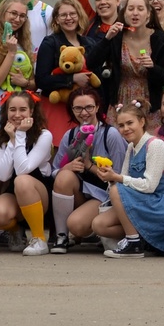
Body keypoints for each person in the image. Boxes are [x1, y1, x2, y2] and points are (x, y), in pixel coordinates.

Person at [93, 99, 164, 258]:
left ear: (142, 122)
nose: (125, 129)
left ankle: (133, 243)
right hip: (144, 202)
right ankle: (143, 239)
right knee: (99, 225)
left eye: (130, 123)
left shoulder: (155, 145)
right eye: (121, 125)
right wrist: (110, 176)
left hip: (163, 206)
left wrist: (117, 178)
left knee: (116, 190)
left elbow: (149, 186)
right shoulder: (130, 147)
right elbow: (124, 179)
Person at [49, 87, 128, 252]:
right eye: (78, 108)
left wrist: (89, 166)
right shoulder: (70, 135)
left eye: (89, 107)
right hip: (80, 191)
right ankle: (61, 236)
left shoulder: (110, 134)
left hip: (104, 194)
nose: (84, 113)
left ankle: (103, 229)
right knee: (63, 176)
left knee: (76, 225)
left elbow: (120, 176)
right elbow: (54, 170)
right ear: (72, 110)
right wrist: (66, 167)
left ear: (97, 107)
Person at [0, 91, 54, 256]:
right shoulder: (2, 138)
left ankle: (39, 239)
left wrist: (21, 134)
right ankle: (15, 231)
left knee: (22, 180)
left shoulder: (44, 135)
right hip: (15, 192)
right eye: (12, 109)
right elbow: (2, 176)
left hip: (40, 194)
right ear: (6, 112)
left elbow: (24, 169)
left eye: (23, 109)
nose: (17, 115)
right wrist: (12, 141)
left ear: (31, 111)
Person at [97, 0, 164, 116]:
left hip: (149, 102)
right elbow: (92, 63)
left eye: (140, 9)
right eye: (131, 9)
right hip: (121, 100)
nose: (135, 13)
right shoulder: (116, 37)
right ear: (124, 13)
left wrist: (152, 67)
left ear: (148, 14)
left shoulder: (161, 39)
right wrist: (107, 39)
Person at [33, 0, 97, 141]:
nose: (69, 18)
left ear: (79, 15)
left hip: (84, 109)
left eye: (72, 14)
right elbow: (41, 80)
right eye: (63, 15)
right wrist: (72, 79)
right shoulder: (50, 43)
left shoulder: (89, 43)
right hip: (58, 107)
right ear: (56, 19)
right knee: (59, 148)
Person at [0, 0, 36, 149]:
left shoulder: (24, 43)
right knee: (0, 151)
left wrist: (24, 83)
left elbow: (33, 82)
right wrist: (11, 53)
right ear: (2, 14)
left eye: (22, 16)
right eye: (13, 13)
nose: (17, 19)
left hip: (22, 103)